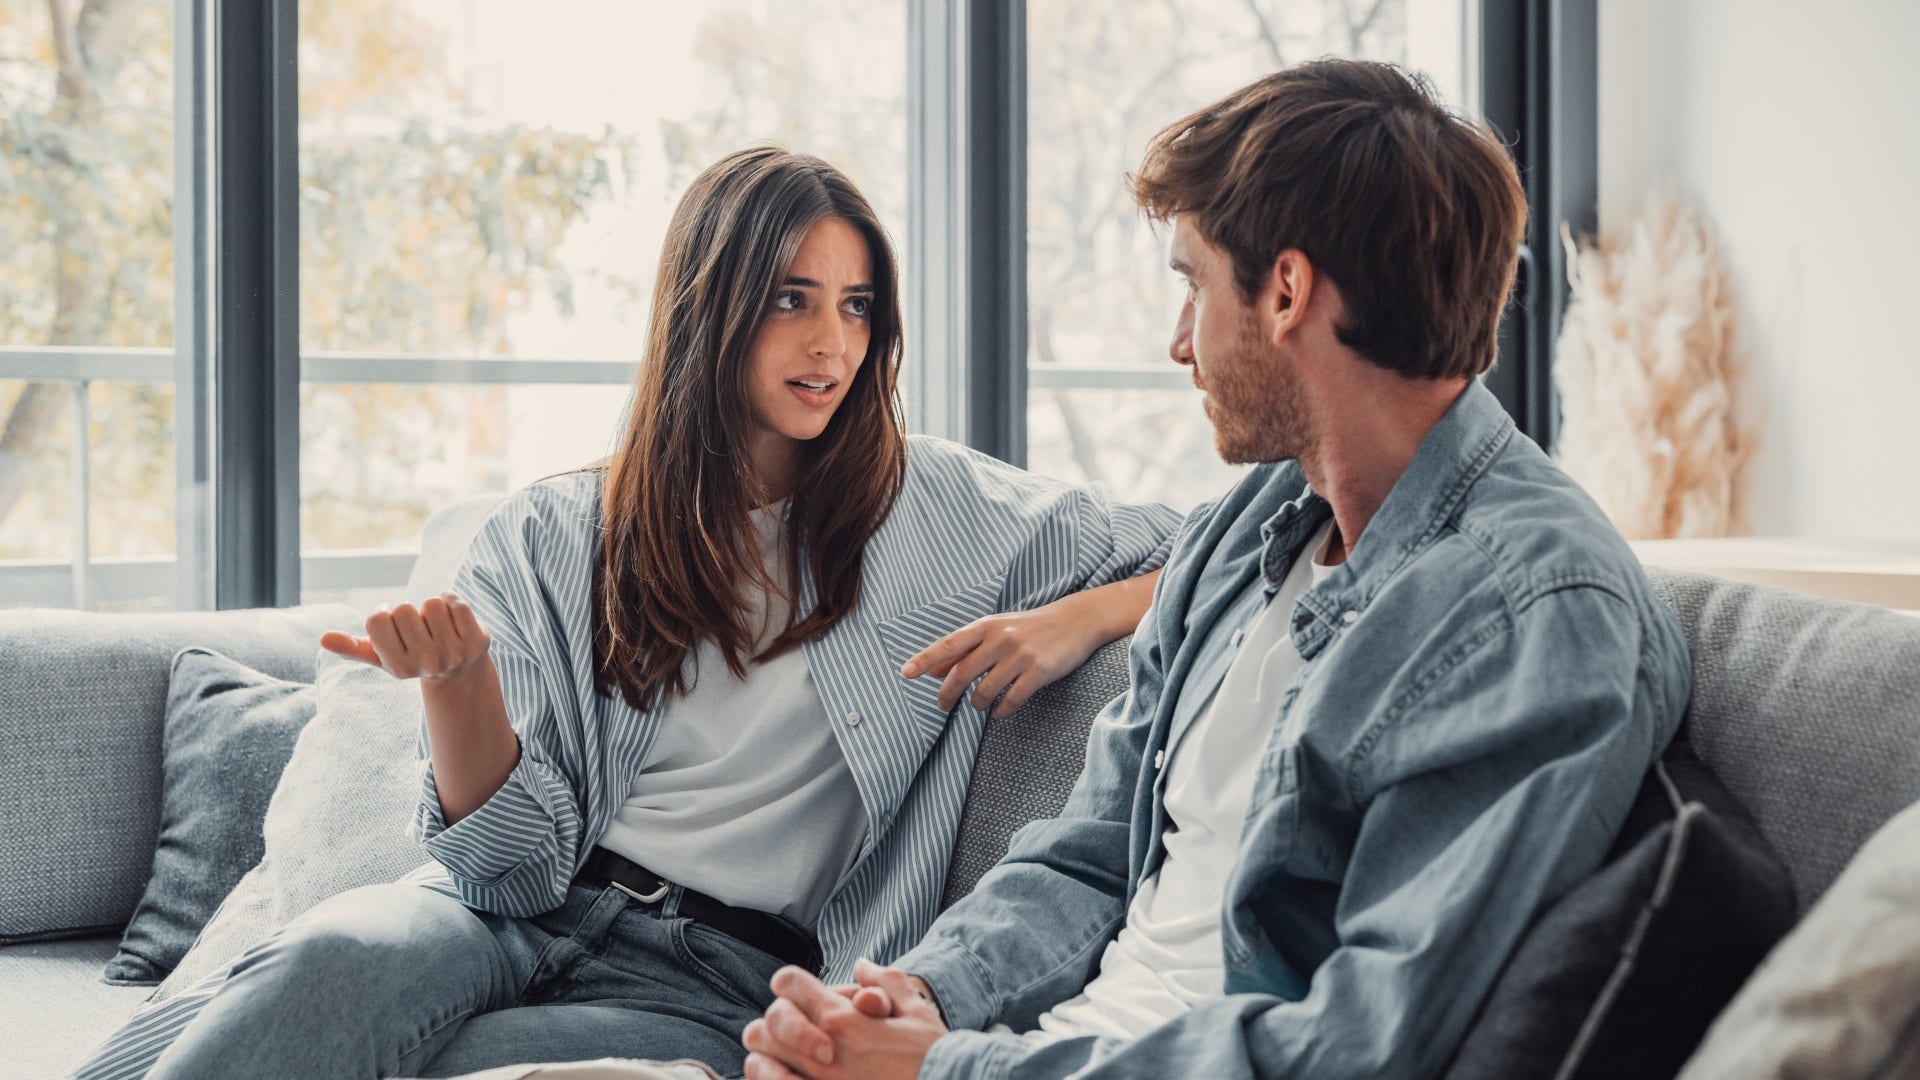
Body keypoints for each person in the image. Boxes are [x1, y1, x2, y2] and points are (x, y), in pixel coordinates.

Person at [74, 147, 1181, 1080]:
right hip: (506, 915)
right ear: (712, 303)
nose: (832, 344)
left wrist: (1082, 617)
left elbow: (1229, 537)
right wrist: (462, 692)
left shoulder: (948, 511)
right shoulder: (555, 533)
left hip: (718, 973)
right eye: (791, 300)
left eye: (856, 307)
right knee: (327, 968)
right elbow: (506, 871)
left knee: (468, 1066)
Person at [738, 59, 1693, 1080]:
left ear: (1286, 291)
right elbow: (1094, 848)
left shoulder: (1533, 612)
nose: (1178, 343)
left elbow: (1361, 1048)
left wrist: (943, 1070)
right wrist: (911, 1000)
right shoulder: (1247, 531)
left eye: (1195, 285)